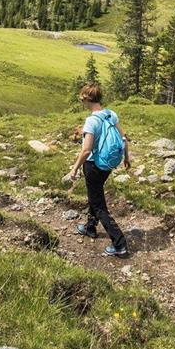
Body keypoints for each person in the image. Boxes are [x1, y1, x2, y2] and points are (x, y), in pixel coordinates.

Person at [68, 83, 130, 257]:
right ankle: (90, 227)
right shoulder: (111, 114)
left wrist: (74, 168)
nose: (82, 102)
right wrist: (126, 158)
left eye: (82, 99)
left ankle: (120, 244)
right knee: (94, 195)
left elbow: (86, 150)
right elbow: (124, 138)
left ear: (87, 99)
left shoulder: (91, 121)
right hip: (107, 165)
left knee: (98, 204)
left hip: (93, 165)